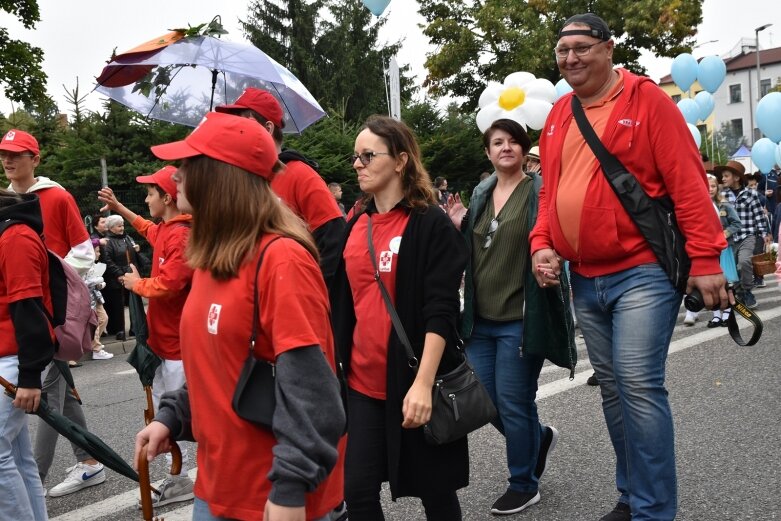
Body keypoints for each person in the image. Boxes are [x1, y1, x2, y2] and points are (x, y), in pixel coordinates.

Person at [529, 14, 727, 521]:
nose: (570, 58)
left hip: (641, 270)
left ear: (609, 48)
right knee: (615, 390)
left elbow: (687, 183)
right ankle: (632, 495)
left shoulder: (648, 101)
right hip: (584, 276)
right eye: (562, 50)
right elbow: (550, 192)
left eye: (581, 47)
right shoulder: (557, 115)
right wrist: (541, 243)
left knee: (638, 384)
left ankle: (653, 510)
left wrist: (705, 259)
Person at [135, 112, 345, 521]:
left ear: (220, 177)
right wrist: (173, 416)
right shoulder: (212, 261)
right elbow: (219, 370)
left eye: (186, 166)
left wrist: (289, 490)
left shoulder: (281, 260)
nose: (175, 177)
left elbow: (314, 395)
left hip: (270, 498)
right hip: (217, 488)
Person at [329, 115, 469, 520]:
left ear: (401, 160)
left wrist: (424, 384)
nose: (357, 164)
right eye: (356, 156)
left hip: (414, 380)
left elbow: (441, 310)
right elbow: (344, 303)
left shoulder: (430, 224)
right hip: (362, 385)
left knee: (435, 491)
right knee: (357, 491)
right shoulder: (355, 223)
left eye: (368, 155)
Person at [444, 119, 561, 515]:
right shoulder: (481, 192)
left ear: (524, 149)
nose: (505, 147)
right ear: (488, 152)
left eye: (513, 141)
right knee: (486, 402)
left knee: (513, 402)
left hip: (519, 317)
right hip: (480, 320)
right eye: (497, 142)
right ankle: (537, 439)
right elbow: (477, 247)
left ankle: (524, 483)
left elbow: (552, 236)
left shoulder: (539, 190)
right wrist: (459, 222)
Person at [1, 129, 107, 498]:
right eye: (4, 154)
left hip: (50, 314)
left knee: (45, 393)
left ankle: (38, 477)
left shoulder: (57, 196)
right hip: (25, 314)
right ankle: (90, 462)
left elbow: (85, 250)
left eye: (17, 154)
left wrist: (46, 270)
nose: (9, 161)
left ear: (36, 159)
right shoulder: (8, 201)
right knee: (60, 391)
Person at [98, 165, 195, 507]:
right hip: (168, 344)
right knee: (170, 415)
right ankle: (180, 475)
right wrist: (120, 207)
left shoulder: (181, 234)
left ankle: (184, 478)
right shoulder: (170, 228)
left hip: (179, 348)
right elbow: (147, 227)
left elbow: (170, 284)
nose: (145, 197)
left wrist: (134, 284)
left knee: (177, 416)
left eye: (151, 193)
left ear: (167, 197)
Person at [216, 88, 346, 286]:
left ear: (267, 128)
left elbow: (334, 237)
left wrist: (305, 289)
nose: (236, 129)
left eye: (243, 122)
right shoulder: (243, 179)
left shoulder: (299, 174)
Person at [0, 189, 53, 521]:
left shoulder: (14, 236)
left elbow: (29, 308)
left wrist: (30, 377)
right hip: (11, 357)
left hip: (15, 360)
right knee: (18, 457)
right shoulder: (8, 232)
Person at [715, 161, 771, 309]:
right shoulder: (722, 195)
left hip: (748, 235)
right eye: (722, 176)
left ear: (737, 178)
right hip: (729, 238)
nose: (723, 179)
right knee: (733, 268)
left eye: (726, 176)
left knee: (744, 262)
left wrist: (765, 233)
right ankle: (739, 292)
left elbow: (759, 215)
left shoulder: (751, 194)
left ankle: (747, 291)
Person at [101, 214, 142, 340]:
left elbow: (133, 256)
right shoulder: (108, 242)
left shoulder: (128, 238)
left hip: (130, 274)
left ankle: (136, 328)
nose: (122, 228)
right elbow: (107, 260)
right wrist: (118, 274)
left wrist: (137, 250)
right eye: (119, 226)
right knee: (117, 306)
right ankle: (118, 330)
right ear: (111, 228)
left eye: (123, 225)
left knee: (134, 303)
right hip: (115, 278)